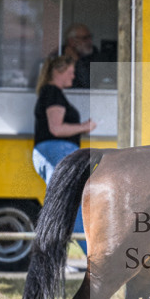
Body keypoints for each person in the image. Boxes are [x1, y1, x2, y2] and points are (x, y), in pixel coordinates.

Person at [33, 54, 97, 254]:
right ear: (58, 72)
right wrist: (83, 126)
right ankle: (94, 257)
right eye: (70, 72)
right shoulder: (53, 93)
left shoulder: (50, 93)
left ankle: (56, 256)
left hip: (56, 152)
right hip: (57, 150)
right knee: (72, 205)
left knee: (64, 206)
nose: (73, 76)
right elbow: (56, 129)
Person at [61, 23, 111, 89]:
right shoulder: (60, 54)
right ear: (72, 41)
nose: (90, 41)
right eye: (85, 38)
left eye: (90, 37)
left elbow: (89, 85)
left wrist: (77, 62)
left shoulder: (97, 57)